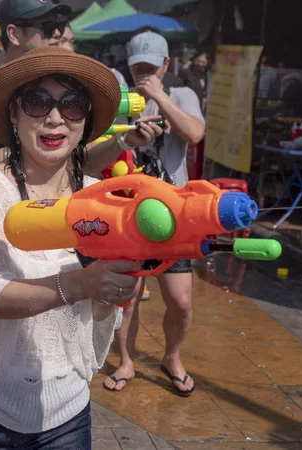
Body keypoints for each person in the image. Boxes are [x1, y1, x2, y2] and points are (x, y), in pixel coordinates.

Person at [0, 46, 141, 449]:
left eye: (72, 105)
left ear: (87, 120)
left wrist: (117, 286)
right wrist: (84, 283)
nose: (55, 118)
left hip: (67, 413)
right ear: (14, 114)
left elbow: (98, 312)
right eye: (38, 102)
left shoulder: (100, 198)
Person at [0, 0, 162, 182]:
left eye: (58, 25)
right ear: (14, 34)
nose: (57, 33)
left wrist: (125, 140)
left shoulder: (67, 87)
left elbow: (85, 160)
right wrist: (20, 154)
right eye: (46, 27)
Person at [103, 30, 205, 396]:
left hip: (173, 213)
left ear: (166, 64)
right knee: (127, 297)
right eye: (138, 66)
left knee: (180, 299)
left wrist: (160, 96)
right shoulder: (123, 99)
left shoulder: (181, 94)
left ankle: (172, 357)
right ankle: (126, 361)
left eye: (152, 66)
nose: (145, 73)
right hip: (127, 211)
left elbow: (194, 133)